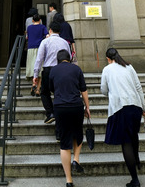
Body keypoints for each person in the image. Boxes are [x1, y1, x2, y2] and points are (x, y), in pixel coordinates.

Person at [101, 48, 145, 187]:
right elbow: (138, 87)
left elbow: (103, 90)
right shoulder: (129, 66)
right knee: (133, 135)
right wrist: (144, 108)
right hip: (136, 106)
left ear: (108, 58)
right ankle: (137, 159)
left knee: (126, 141)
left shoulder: (107, 69)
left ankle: (135, 179)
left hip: (120, 107)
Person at [49, 49, 90, 187]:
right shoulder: (76, 69)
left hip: (60, 107)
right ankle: (76, 160)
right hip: (76, 106)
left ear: (58, 59)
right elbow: (83, 89)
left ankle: (69, 180)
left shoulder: (53, 71)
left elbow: (51, 89)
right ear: (69, 58)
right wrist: (87, 107)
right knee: (78, 135)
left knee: (64, 143)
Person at [32, 22, 70, 124]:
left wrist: (35, 75)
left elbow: (39, 59)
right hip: (62, 69)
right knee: (59, 93)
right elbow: (69, 57)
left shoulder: (45, 42)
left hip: (48, 70)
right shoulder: (65, 42)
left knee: (44, 92)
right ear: (59, 31)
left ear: (50, 30)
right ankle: (59, 115)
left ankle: (50, 113)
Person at [25, 14, 48, 80]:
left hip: (30, 47)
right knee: (39, 65)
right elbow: (47, 35)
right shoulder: (42, 27)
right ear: (40, 20)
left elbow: (27, 37)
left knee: (31, 63)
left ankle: (31, 78)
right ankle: (38, 82)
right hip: (39, 47)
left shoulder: (29, 28)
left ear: (32, 20)